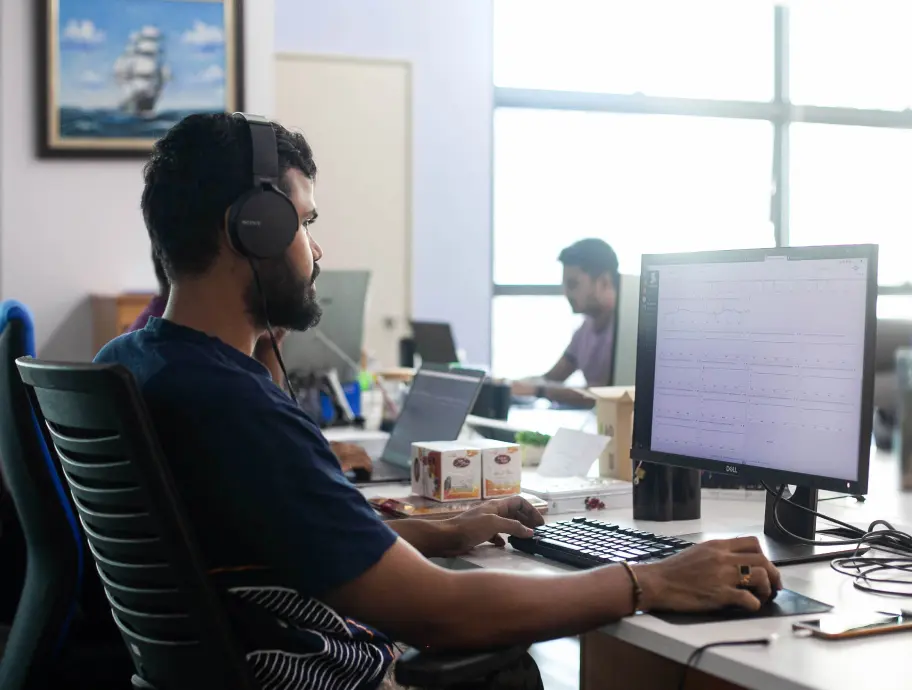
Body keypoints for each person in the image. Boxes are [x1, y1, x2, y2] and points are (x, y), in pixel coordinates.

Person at [95, 113, 781, 690]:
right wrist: (651, 580)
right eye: (304, 223)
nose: (318, 247)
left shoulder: (133, 363)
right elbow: (440, 612)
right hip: (302, 670)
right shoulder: (234, 406)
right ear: (253, 231)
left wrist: (448, 530)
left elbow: (282, 538)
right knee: (506, 668)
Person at [126, 245, 371, 475]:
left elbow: (265, 447)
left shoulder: (135, 350)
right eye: (303, 224)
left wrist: (268, 350)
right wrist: (313, 462)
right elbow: (264, 441)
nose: (315, 250)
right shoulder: (209, 380)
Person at [512, 238, 619, 406]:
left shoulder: (626, 331)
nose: (566, 293)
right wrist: (508, 384)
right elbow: (552, 377)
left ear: (604, 282)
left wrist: (539, 391)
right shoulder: (585, 330)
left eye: (573, 284)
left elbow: (605, 395)